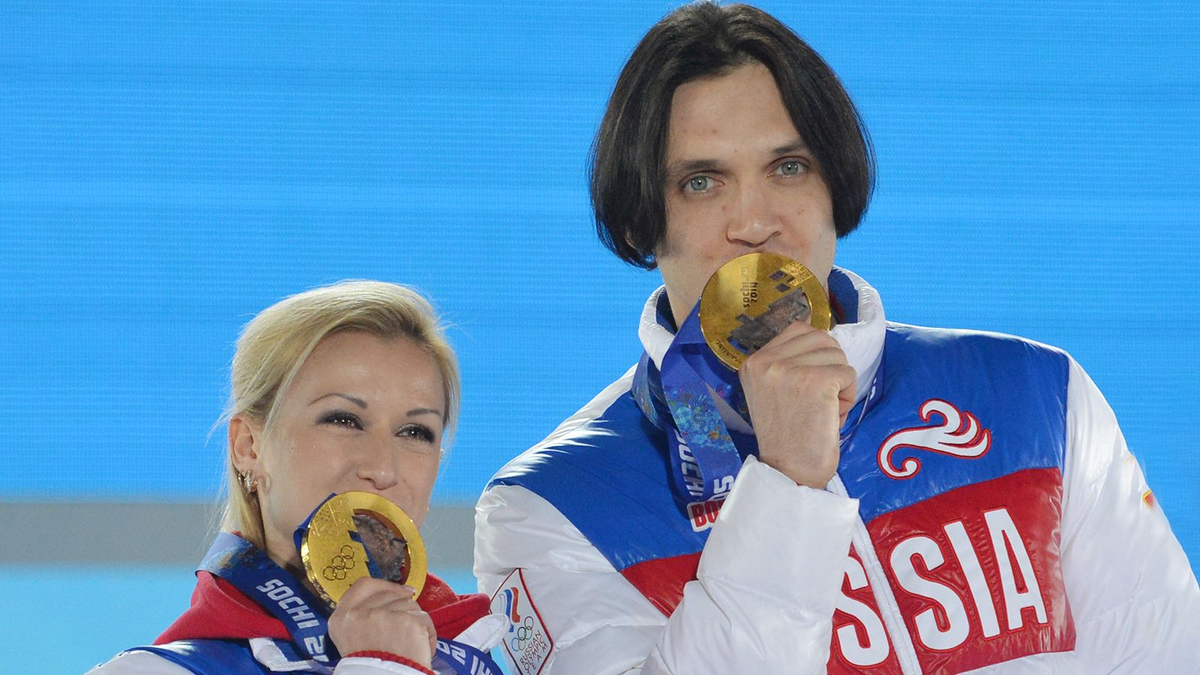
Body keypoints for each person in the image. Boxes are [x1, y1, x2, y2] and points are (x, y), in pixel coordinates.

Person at [473, 3, 1200, 673]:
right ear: (639, 222)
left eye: (788, 168)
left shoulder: (1038, 396)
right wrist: (786, 485)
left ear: (835, 188)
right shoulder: (552, 509)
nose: (755, 223)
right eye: (702, 182)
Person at [92, 281, 502, 674]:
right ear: (249, 447)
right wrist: (383, 664)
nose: (383, 469)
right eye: (344, 420)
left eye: (415, 432)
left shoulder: (473, 652)